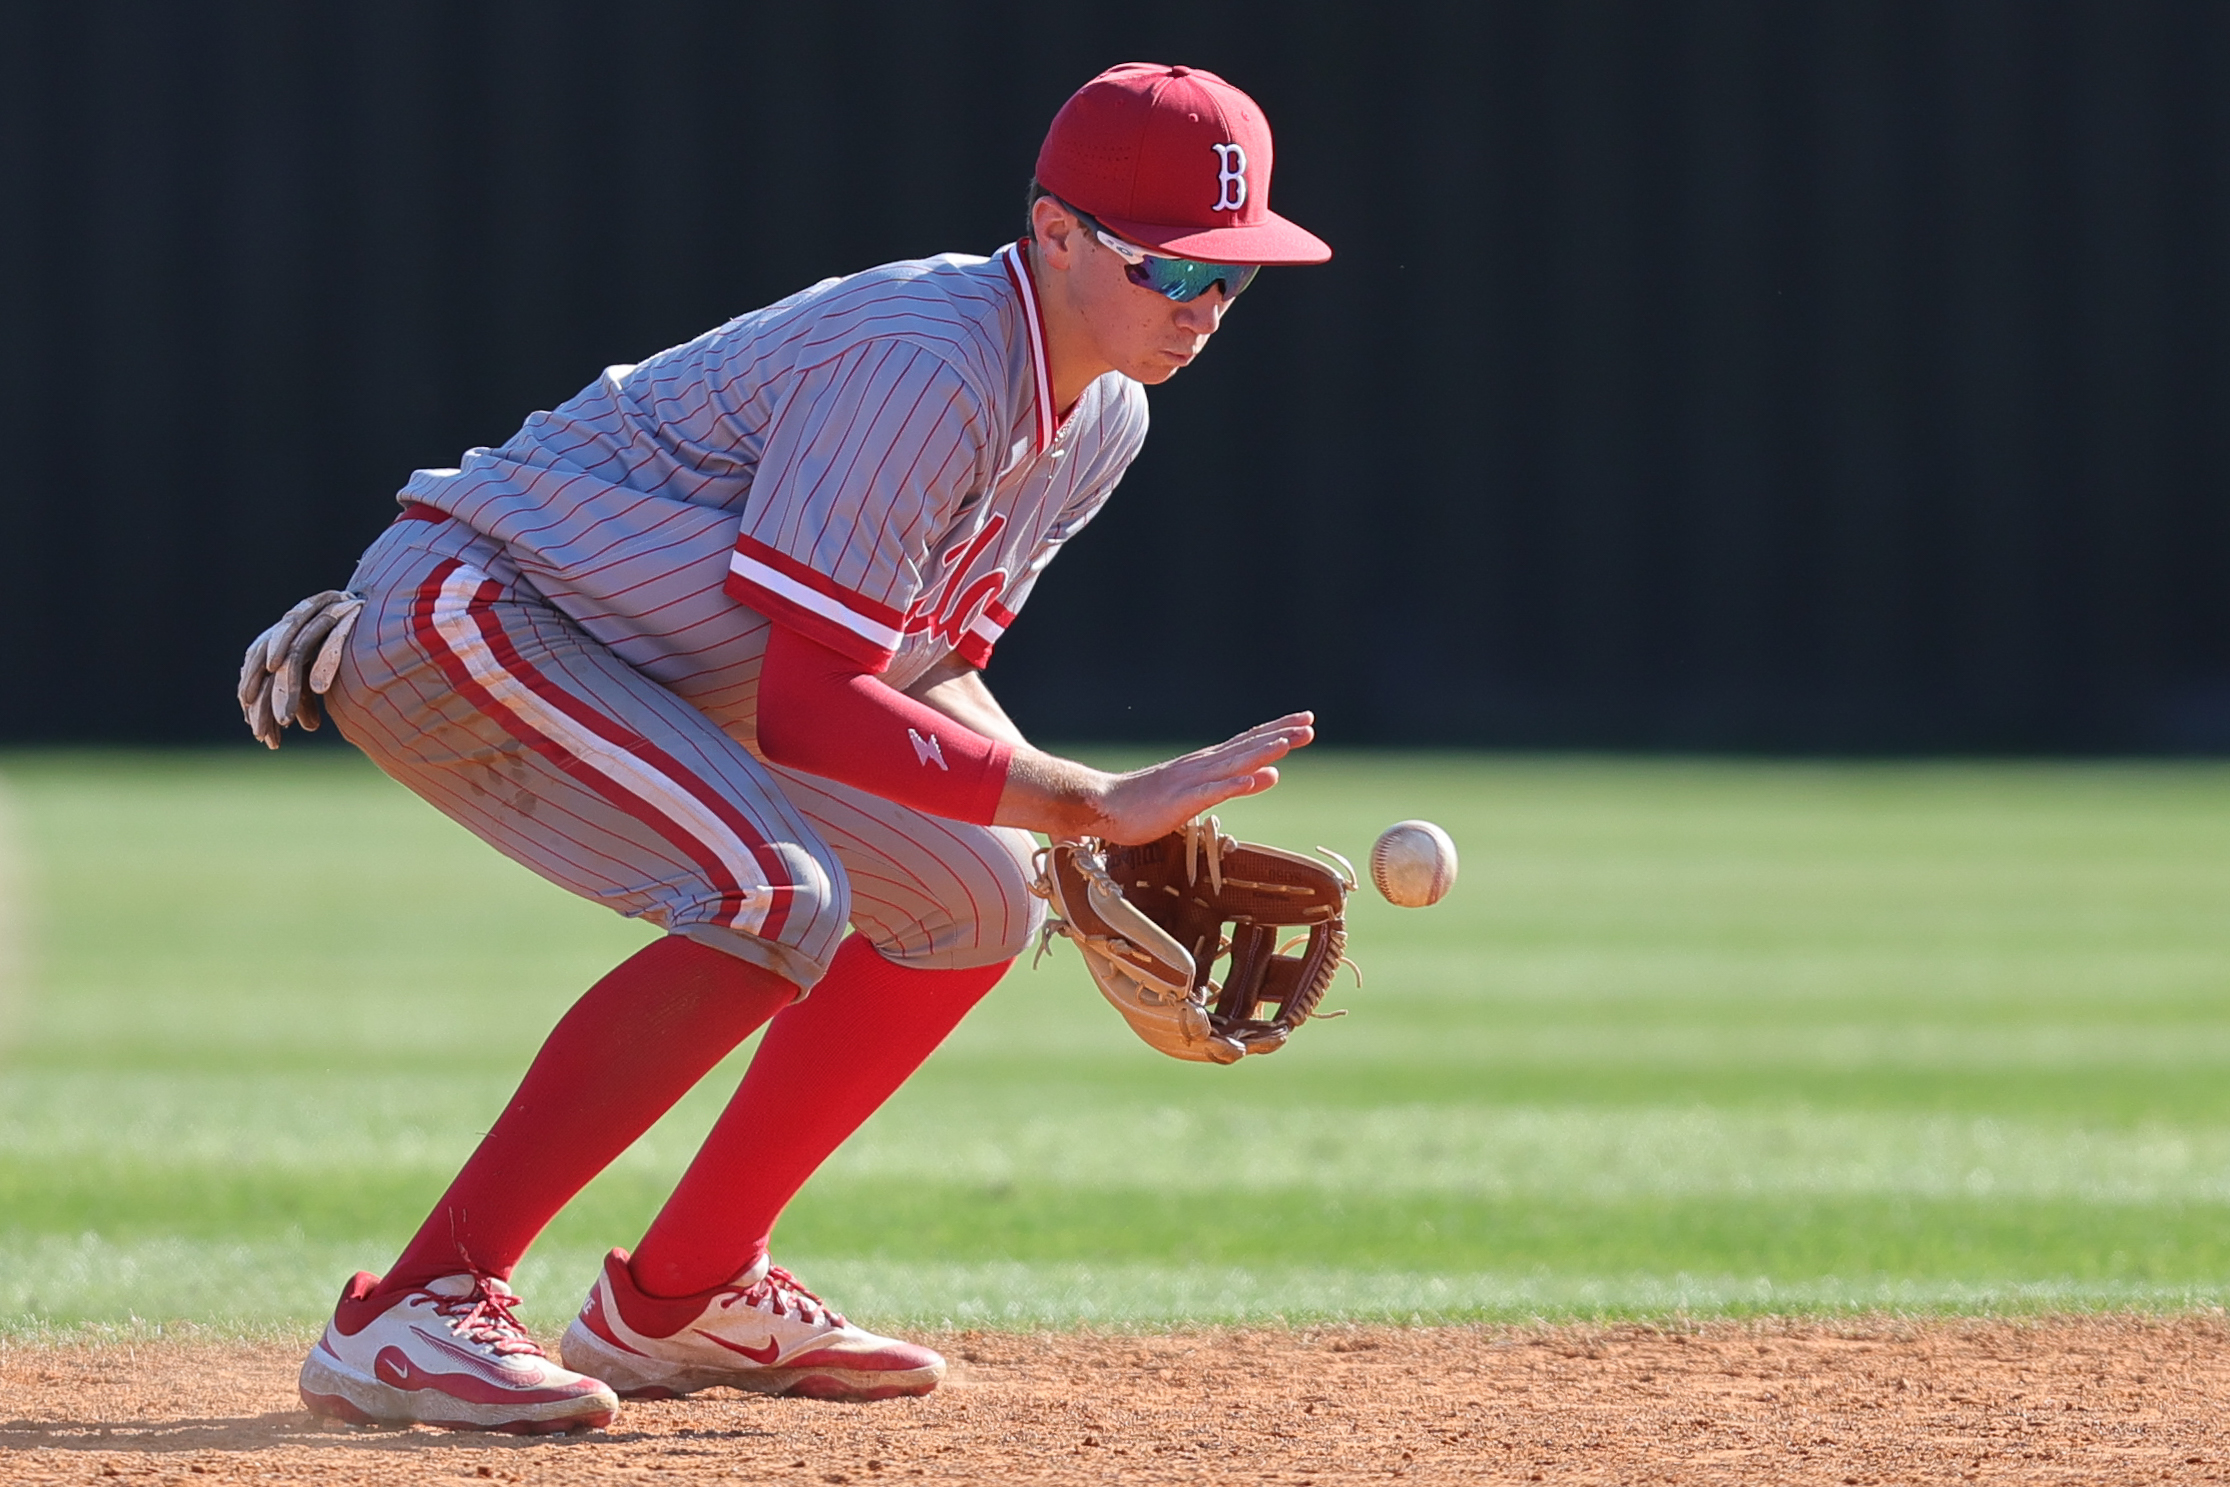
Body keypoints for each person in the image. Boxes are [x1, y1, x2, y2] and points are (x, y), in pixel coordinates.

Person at [244, 62, 1331, 1434]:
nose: (1206, 308)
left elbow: (919, 659)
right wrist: (1088, 801)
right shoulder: (931, 358)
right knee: (772, 896)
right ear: (1053, 232)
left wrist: (1064, 845)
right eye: (1169, 270)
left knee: (978, 903)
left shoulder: (1102, 410)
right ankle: (413, 1304)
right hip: (480, 616)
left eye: (1234, 276)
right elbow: (816, 704)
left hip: (668, 665)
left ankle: (679, 1295)